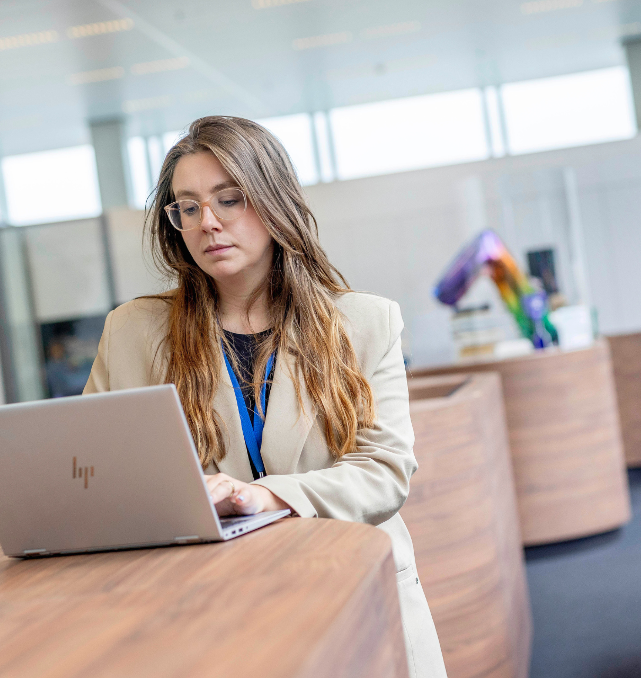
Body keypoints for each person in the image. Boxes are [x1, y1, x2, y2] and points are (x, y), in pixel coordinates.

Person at [84, 116, 447, 677]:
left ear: (274, 200)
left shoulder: (365, 323)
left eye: (229, 200)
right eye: (187, 207)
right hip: (210, 615)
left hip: (350, 597)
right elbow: (94, 475)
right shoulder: (133, 332)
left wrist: (266, 497)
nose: (208, 222)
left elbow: (383, 472)